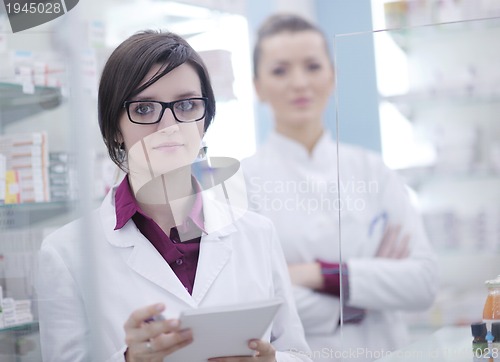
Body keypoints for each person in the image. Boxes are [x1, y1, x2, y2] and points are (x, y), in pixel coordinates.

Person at [36, 30, 312, 362]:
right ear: (113, 129)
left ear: (204, 119)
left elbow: (297, 352)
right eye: (144, 108)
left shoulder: (257, 233)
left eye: (186, 105)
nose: (169, 124)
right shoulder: (66, 254)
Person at [242, 13, 439, 361]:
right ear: (257, 86)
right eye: (280, 70)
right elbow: (257, 304)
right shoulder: (242, 184)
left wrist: (317, 275)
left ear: (332, 76)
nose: (299, 82)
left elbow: (422, 282)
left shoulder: (373, 170)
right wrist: (368, 291)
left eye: (313, 66)